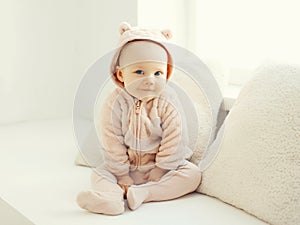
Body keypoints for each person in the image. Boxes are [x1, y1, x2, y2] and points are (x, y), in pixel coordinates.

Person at [77, 22, 201, 215]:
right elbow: (111, 139)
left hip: (160, 169)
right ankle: (111, 200)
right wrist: (121, 174)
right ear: (121, 74)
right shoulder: (114, 102)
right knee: (99, 174)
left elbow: (175, 136)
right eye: (139, 72)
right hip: (126, 168)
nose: (149, 79)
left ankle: (143, 193)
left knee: (192, 175)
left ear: (166, 73)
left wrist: (161, 169)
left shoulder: (168, 99)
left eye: (158, 72)